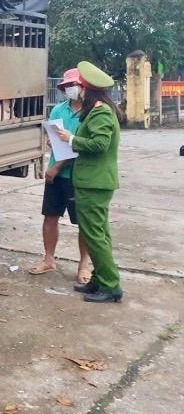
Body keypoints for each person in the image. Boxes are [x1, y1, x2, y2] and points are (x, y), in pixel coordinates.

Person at [55, 61, 124, 303]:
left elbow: (99, 144)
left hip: (94, 183)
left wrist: (71, 138)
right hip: (93, 182)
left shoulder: (101, 111)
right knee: (98, 233)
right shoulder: (98, 109)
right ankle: (100, 278)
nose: (77, 92)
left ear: (88, 89)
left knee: (94, 235)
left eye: (79, 87)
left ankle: (110, 285)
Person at [28, 68, 90, 283]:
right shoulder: (58, 110)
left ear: (84, 87)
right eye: (67, 87)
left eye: (73, 85)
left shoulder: (90, 113)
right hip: (55, 174)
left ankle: (84, 264)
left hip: (77, 174)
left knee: (84, 221)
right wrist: (51, 142)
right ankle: (48, 259)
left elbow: (81, 146)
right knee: (50, 216)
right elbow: (54, 137)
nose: (70, 90)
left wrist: (56, 167)